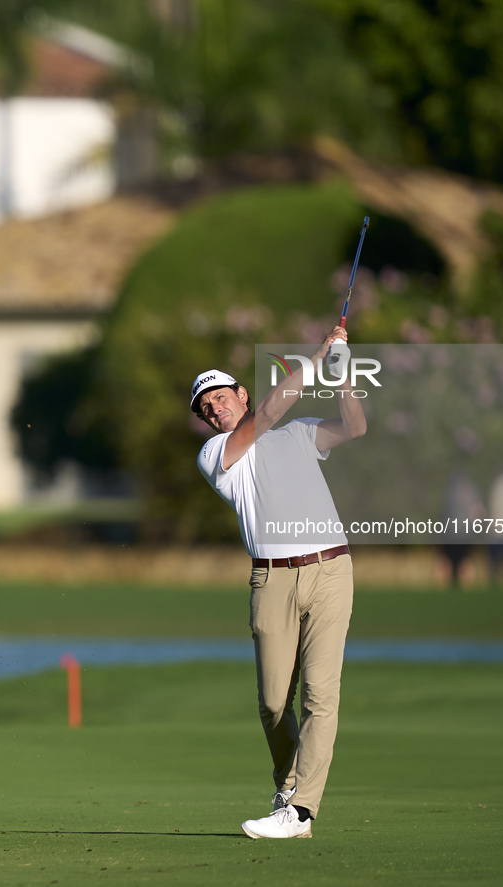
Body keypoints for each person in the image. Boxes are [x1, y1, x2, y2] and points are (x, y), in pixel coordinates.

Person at [190, 326, 367, 839]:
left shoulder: (300, 432)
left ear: (240, 392)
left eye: (221, 398)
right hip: (272, 579)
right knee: (273, 704)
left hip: (332, 571)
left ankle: (300, 810)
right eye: (206, 409)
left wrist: (342, 372)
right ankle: (288, 787)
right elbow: (266, 415)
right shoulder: (218, 454)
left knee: (319, 696)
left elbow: (354, 428)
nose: (215, 410)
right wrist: (315, 358)